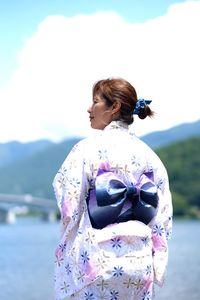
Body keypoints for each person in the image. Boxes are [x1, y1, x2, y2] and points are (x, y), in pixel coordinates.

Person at [53, 78, 173, 300]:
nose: (89, 109)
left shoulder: (86, 149)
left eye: (96, 102)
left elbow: (69, 206)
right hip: (140, 265)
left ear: (114, 107)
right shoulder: (150, 156)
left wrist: (68, 247)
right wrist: (157, 261)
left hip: (97, 263)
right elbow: (162, 217)